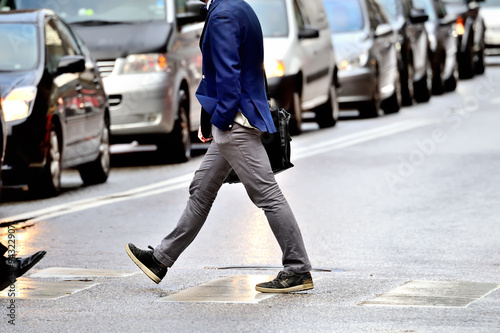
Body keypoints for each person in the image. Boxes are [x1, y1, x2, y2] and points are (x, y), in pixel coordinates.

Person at [126, 0, 313, 293]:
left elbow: (229, 74)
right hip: (234, 119)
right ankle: (160, 260)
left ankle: (298, 269)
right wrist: (210, 120)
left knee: (267, 194)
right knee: (201, 189)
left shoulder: (224, 14)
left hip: (235, 123)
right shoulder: (237, 7)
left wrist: (222, 121)